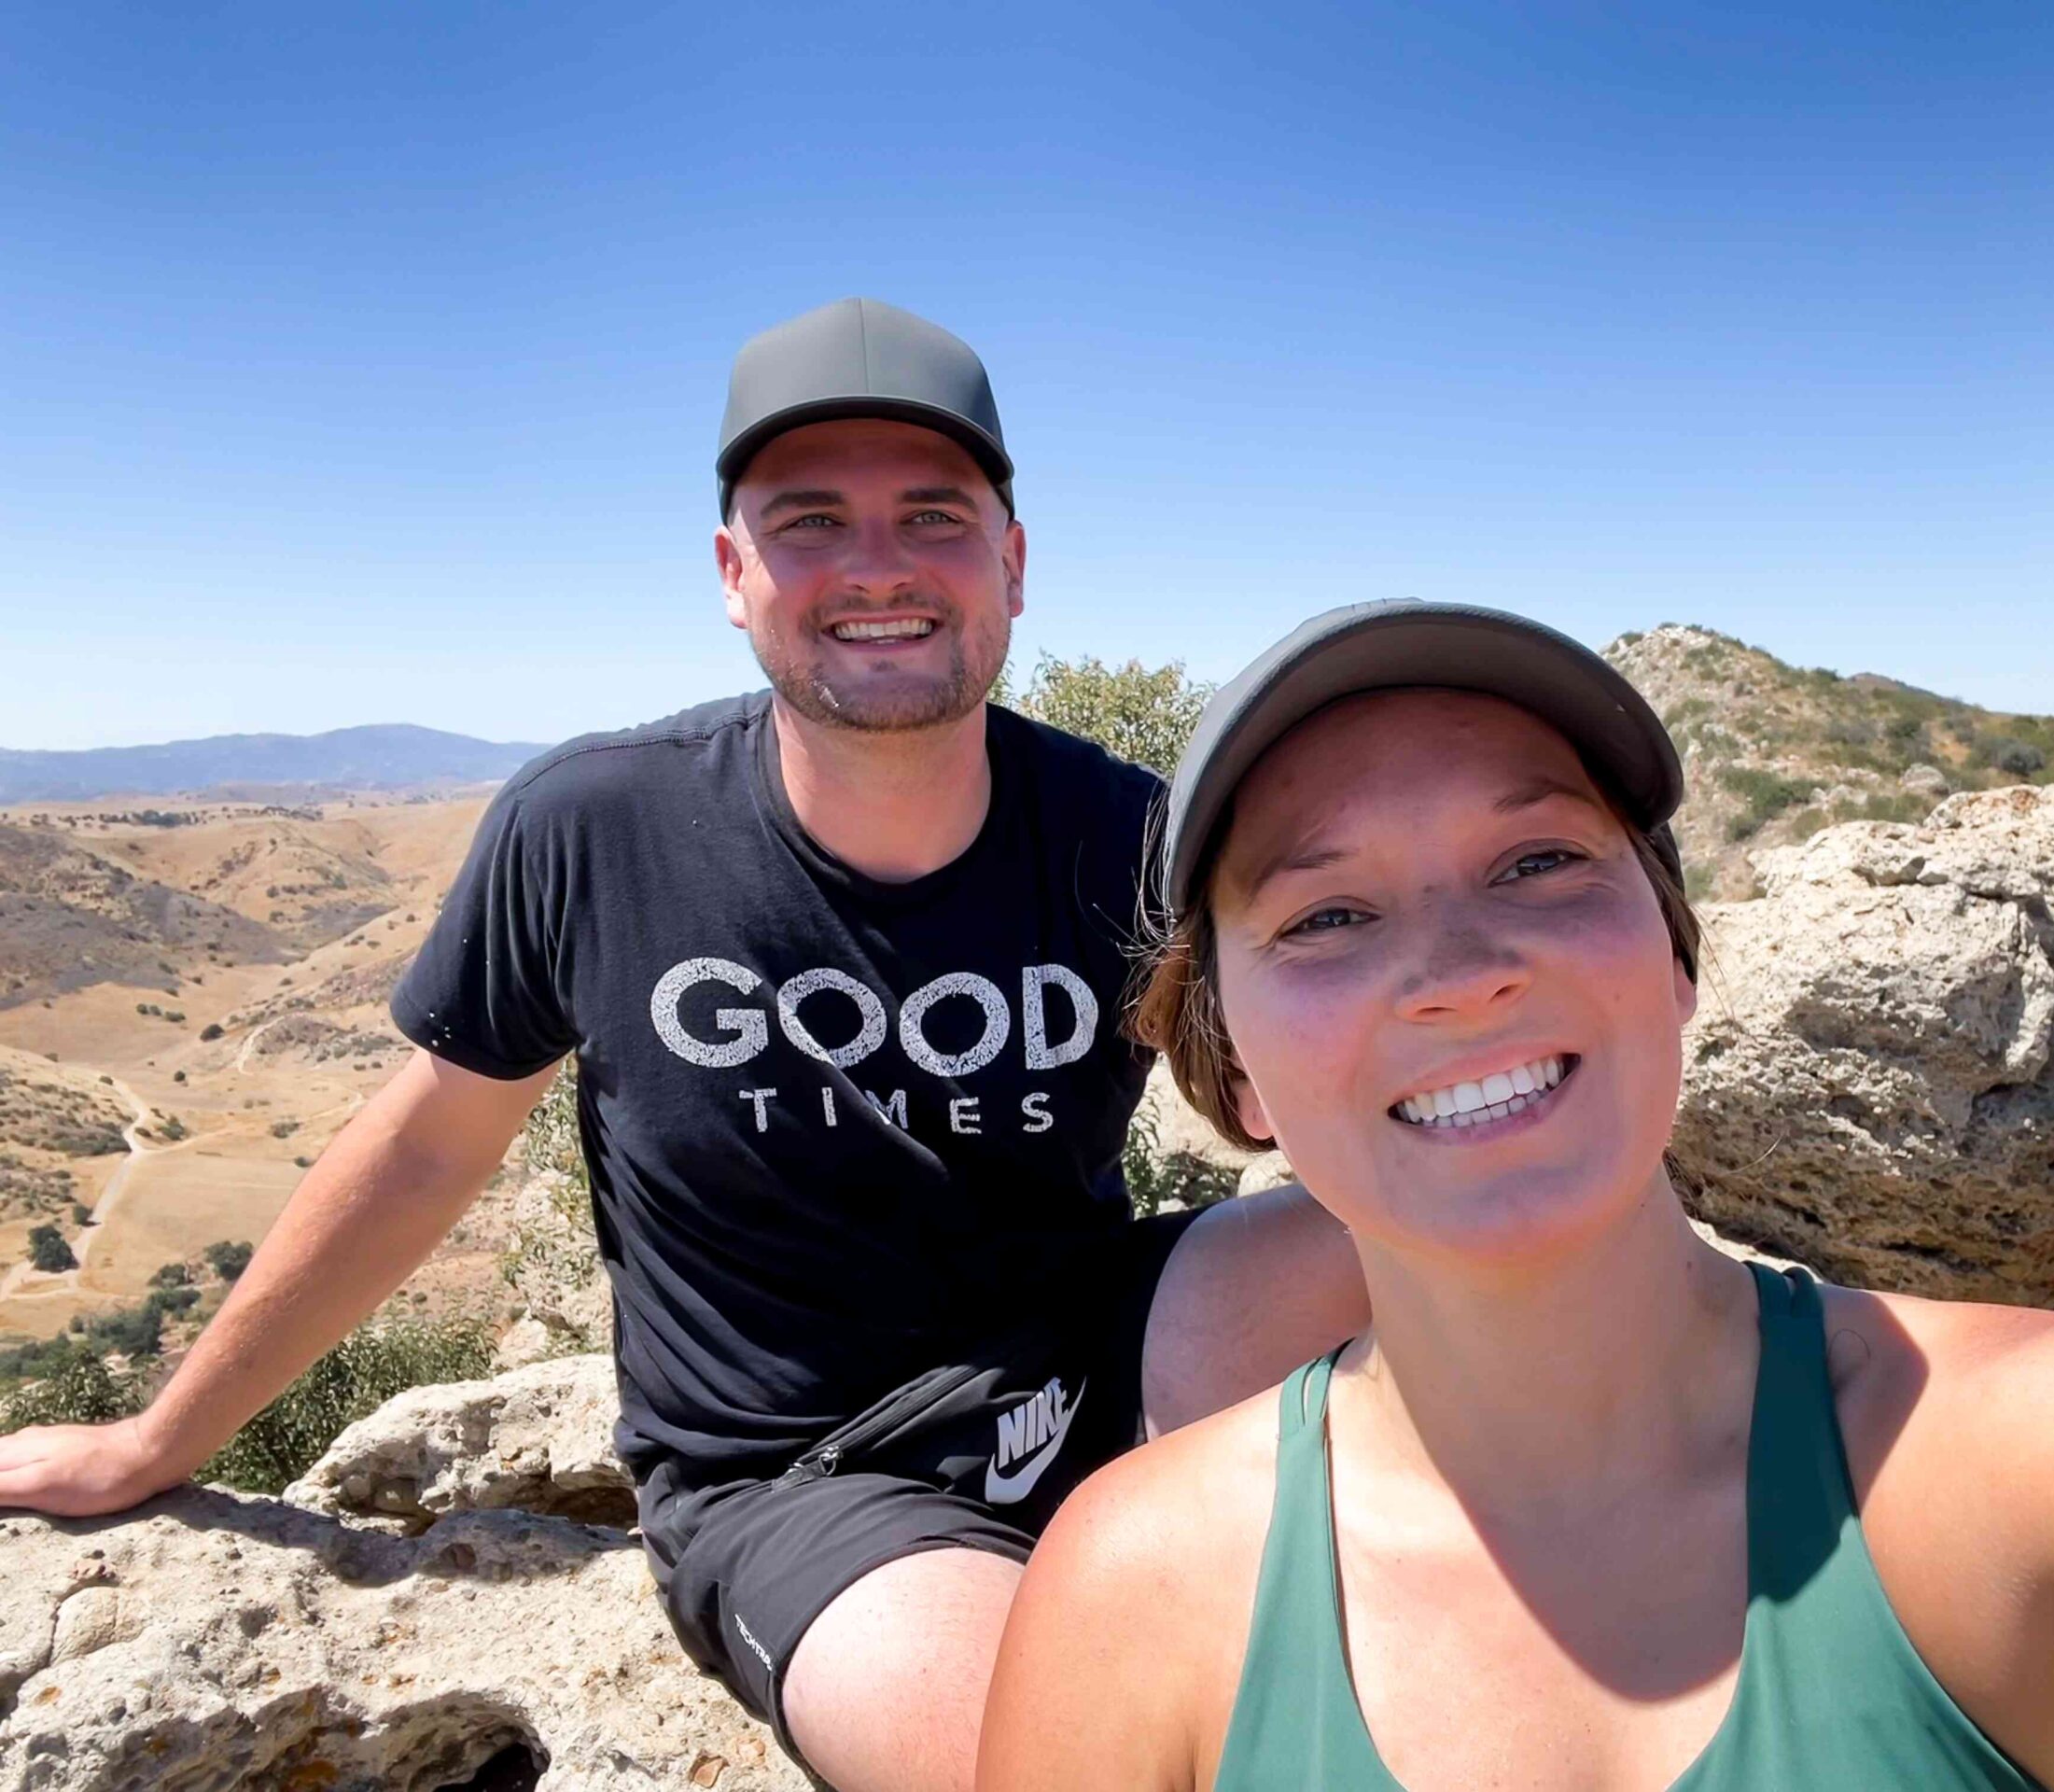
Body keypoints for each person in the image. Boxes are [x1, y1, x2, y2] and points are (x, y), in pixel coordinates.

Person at [0, 298, 1366, 1792]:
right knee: (1047, 1764)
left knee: (1558, 1253)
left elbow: (1313, 1079)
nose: (878, 567)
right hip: (806, 1475)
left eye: (932, 516)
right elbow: (419, 1154)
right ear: (734, 574)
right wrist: (159, 1438)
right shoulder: (596, 829)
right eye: (810, 523)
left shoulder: (1135, 833)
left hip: (1101, 1338)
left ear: (1012, 565)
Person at [978, 599, 2054, 1792]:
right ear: (1240, 1084)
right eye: (1326, 916)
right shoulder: (1134, 1601)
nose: (1463, 969)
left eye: (1538, 860)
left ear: (1675, 958)